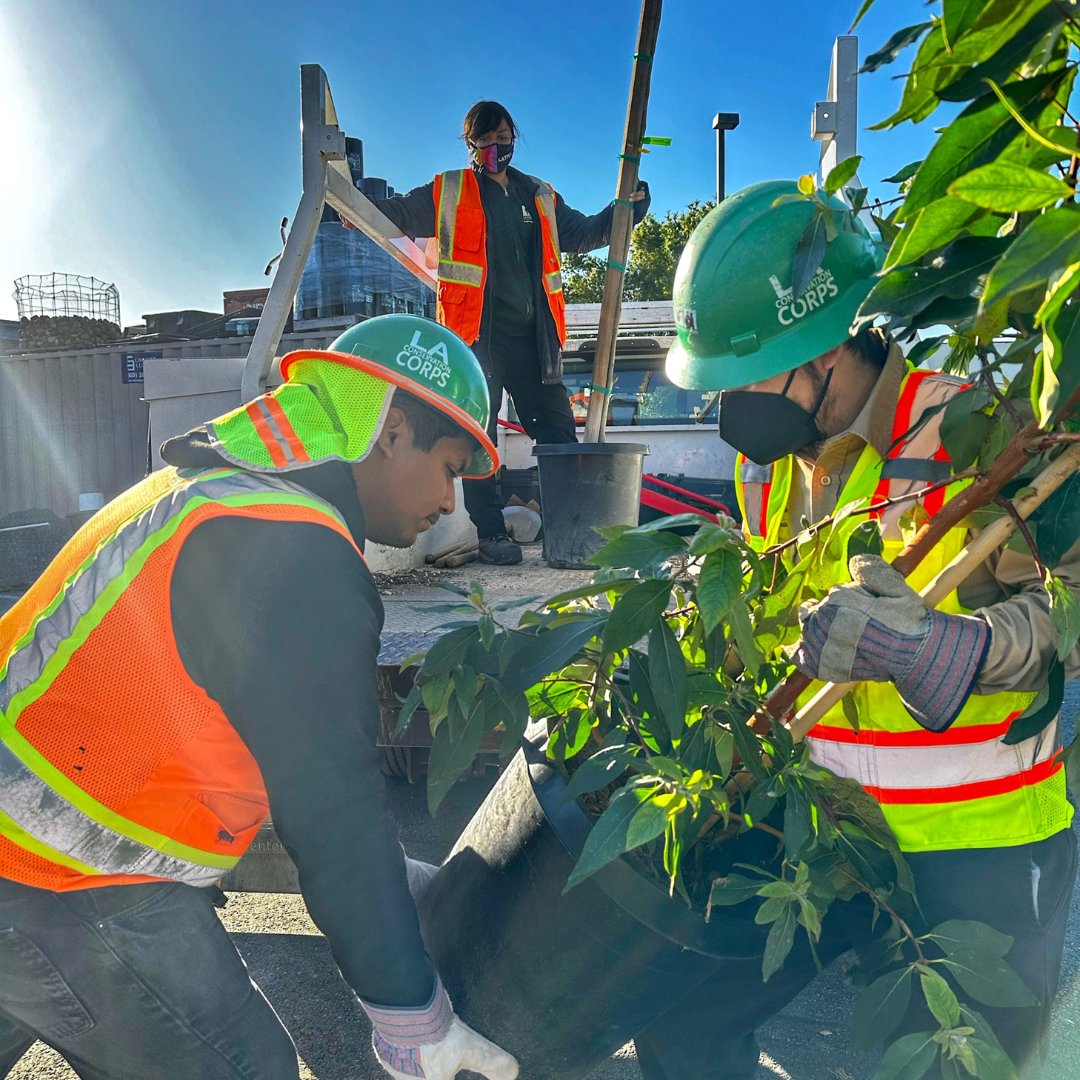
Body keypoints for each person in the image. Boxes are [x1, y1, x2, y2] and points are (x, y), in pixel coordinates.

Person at [634, 180, 1080, 1078]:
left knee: (959, 1066)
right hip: (829, 835)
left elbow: (1068, 605)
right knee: (678, 1023)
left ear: (826, 343)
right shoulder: (771, 472)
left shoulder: (981, 429)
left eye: (743, 371)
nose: (729, 405)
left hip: (976, 849)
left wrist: (954, 651)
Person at [0, 314, 519, 1080]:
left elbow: (259, 737)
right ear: (393, 430)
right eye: (449, 468)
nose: (449, 503)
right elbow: (330, 804)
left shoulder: (210, 494)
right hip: (69, 886)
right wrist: (412, 1014)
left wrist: (391, 879)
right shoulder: (292, 546)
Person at [352, 99, 650, 565]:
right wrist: (351, 204)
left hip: (534, 341)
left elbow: (585, 234)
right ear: (470, 143)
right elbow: (398, 214)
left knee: (556, 433)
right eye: (485, 140)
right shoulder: (449, 190)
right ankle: (491, 533)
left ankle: (568, 531)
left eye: (503, 137)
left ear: (515, 136)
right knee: (479, 436)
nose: (496, 147)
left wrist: (626, 211)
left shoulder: (540, 195)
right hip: (474, 341)